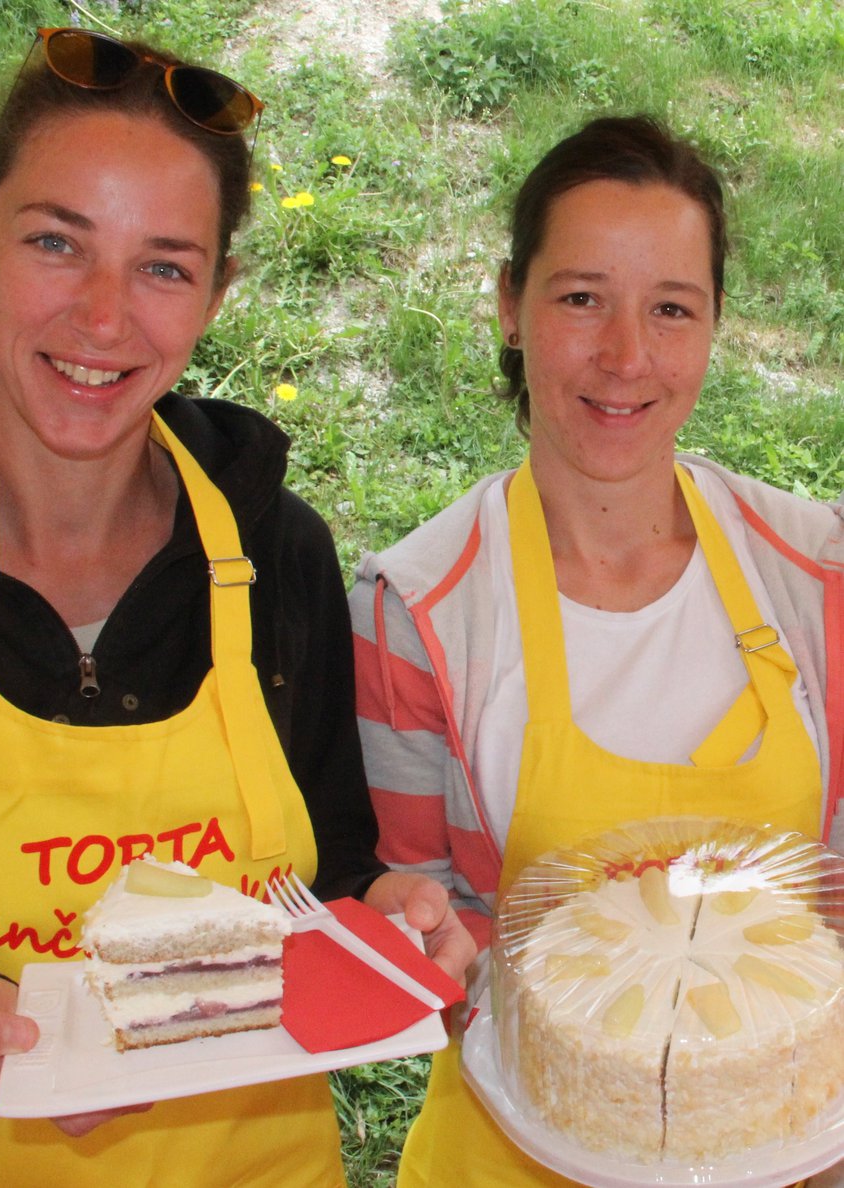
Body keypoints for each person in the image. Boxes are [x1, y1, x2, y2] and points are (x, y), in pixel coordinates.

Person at [0, 26, 473, 1186]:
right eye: (57, 243)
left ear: (219, 292)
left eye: (164, 265)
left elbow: (321, 873)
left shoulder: (277, 553)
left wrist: (386, 907)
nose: (105, 318)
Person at [349, 114, 844, 1186]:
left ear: (713, 326)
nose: (624, 357)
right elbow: (434, 915)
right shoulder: (415, 612)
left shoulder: (818, 580)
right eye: (579, 298)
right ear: (507, 306)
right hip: (510, 1153)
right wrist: (418, 936)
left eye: (670, 309)